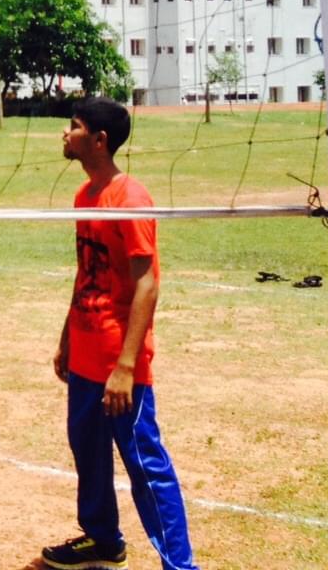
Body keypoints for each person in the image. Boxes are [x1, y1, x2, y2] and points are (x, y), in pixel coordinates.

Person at [42, 97, 197, 570]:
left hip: (119, 357)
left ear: (99, 140)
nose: (65, 134)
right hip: (86, 349)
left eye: (74, 126)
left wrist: (126, 365)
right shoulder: (84, 196)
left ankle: (181, 565)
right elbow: (86, 271)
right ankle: (103, 540)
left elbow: (147, 281)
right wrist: (68, 336)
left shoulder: (129, 196)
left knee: (144, 463)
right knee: (87, 450)